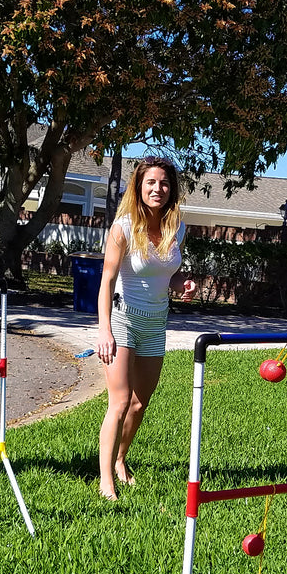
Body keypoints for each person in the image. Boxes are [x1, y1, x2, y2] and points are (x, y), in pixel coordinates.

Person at [96, 157, 196, 500]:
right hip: (123, 318)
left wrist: (182, 283)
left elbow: (164, 273)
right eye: (151, 182)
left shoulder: (177, 227)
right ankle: (105, 479)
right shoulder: (123, 227)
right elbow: (107, 279)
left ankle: (121, 460)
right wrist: (104, 330)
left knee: (140, 403)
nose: (158, 189)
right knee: (120, 401)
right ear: (139, 186)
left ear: (172, 189)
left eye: (165, 183)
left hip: (156, 322)